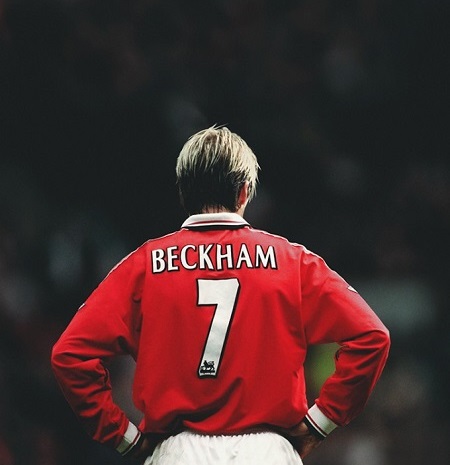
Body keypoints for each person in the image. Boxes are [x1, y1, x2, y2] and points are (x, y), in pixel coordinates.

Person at [51, 126, 390, 465]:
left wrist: (123, 436)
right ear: (244, 192)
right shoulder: (292, 261)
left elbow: (70, 354)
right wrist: (320, 422)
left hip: (179, 452)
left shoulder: (143, 266)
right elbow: (372, 336)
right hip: (267, 452)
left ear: (184, 192)